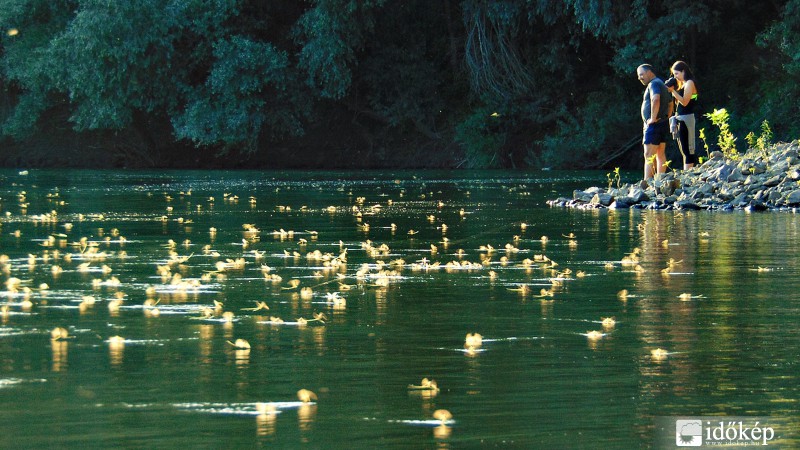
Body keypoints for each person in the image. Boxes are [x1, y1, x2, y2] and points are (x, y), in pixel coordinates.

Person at [636, 64, 673, 180]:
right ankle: (659, 180)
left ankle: (647, 182)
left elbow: (655, 99)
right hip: (662, 123)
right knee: (660, 153)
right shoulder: (662, 83)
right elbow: (671, 103)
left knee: (648, 155)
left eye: (641, 74)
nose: (639, 78)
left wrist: (652, 118)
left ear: (649, 72)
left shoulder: (654, 83)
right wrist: (667, 116)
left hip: (654, 125)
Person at [666, 61, 699, 170]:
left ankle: (689, 172)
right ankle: (687, 172)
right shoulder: (683, 84)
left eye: (676, 74)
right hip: (680, 117)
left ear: (683, 71)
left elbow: (685, 102)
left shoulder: (690, 83)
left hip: (687, 118)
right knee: (683, 148)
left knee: (688, 148)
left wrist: (673, 92)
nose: (675, 77)